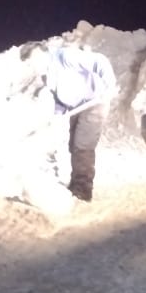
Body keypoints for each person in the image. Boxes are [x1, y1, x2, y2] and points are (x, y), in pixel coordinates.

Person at [43, 45, 116, 202]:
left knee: (83, 144)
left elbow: (100, 61)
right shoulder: (44, 75)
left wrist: (109, 84)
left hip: (96, 101)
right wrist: (54, 118)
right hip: (76, 106)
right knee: (73, 144)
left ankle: (83, 189)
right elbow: (58, 101)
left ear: (40, 54)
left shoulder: (64, 57)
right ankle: (76, 182)